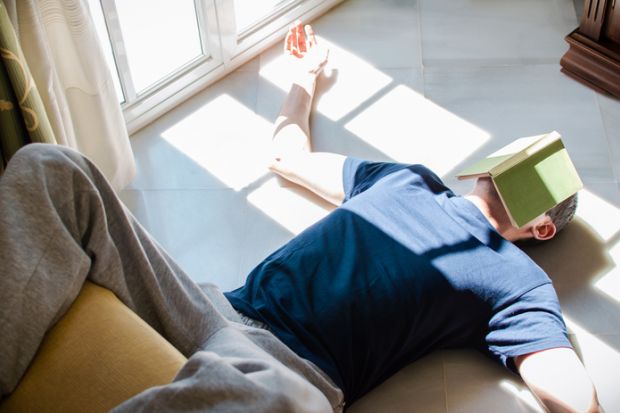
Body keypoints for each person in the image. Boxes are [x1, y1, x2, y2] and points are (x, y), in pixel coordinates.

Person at [0, 22, 602, 413]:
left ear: (541, 227)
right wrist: (304, 80)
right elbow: (288, 157)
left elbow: (569, 391)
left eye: (534, 172)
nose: (511, 164)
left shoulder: (517, 278)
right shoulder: (409, 178)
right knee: (54, 168)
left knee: (282, 403)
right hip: (219, 308)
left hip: (292, 373)